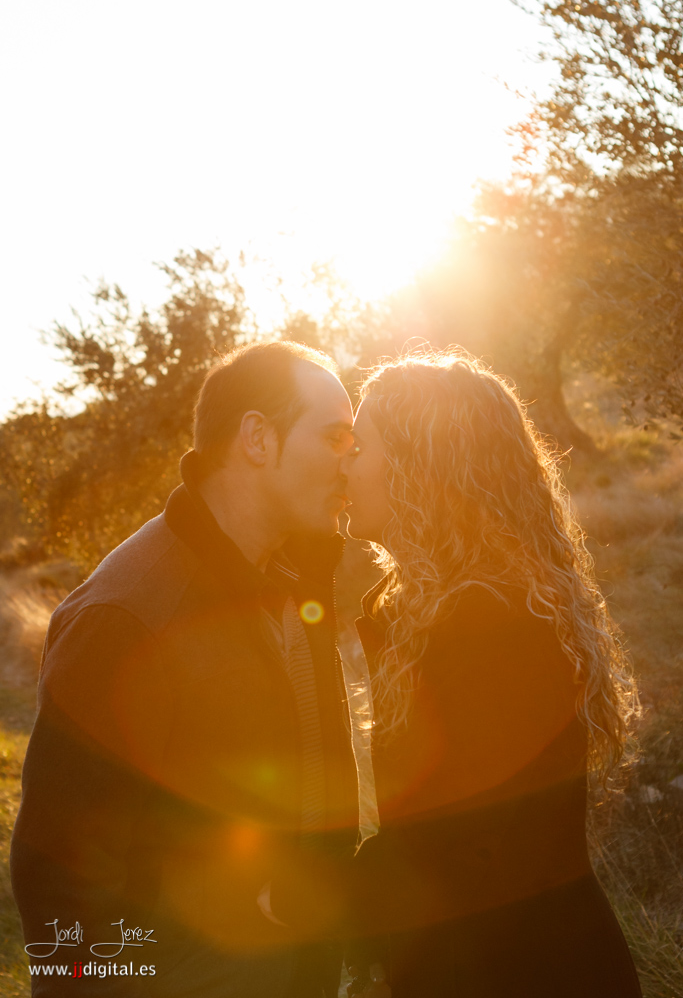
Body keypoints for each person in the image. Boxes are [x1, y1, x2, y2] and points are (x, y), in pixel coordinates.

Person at [11, 341, 360, 998]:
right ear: (256, 438)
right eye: (335, 436)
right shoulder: (126, 616)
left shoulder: (300, 576)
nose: (351, 462)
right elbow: (62, 891)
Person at [340, 350, 643, 997]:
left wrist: (298, 897)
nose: (344, 464)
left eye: (358, 445)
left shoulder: (494, 621)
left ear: (418, 468)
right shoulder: (426, 610)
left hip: (529, 971)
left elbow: (466, 847)